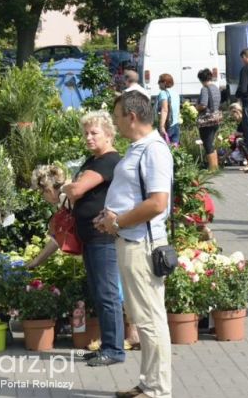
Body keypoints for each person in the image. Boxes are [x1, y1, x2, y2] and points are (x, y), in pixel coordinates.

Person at [26, 111, 127, 367]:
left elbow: (76, 189)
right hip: (90, 237)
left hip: (102, 237)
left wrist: (74, 188)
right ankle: (107, 345)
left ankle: (114, 349)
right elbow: (71, 189)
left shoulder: (108, 161)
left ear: (109, 134)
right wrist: (73, 188)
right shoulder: (93, 161)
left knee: (107, 293)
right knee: (99, 292)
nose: (88, 138)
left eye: (94, 133)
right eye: (86, 133)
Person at [95, 87, 174, 398]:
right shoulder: (139, 147)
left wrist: (117, 221)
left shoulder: (154, 150)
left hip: (142, 244)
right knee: (143, 318)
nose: (114, 124)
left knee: (151, 319)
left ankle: (158, 390)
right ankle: (148, 383)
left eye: (117, 118)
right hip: (130, 240)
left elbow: (157, 203)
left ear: (132, 116)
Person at [195, 68, 221, 171]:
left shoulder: (204, 89)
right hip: (216, 118)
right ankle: (215, 167)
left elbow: (203, 104)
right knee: (211, 142)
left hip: (207, 120)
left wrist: (195, 107)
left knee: (207, 143)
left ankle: (212, 168)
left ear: (201, 79)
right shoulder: (215, 88)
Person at [156, 74, 181, 144]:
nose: (158, 83)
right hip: (176, 125)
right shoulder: (176, 93)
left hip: (167, 126)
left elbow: (164, 109)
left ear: (164, 83)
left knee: (163, 149)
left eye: (159, 81)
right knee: (174, 151)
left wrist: (161, 126)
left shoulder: (163, 93)